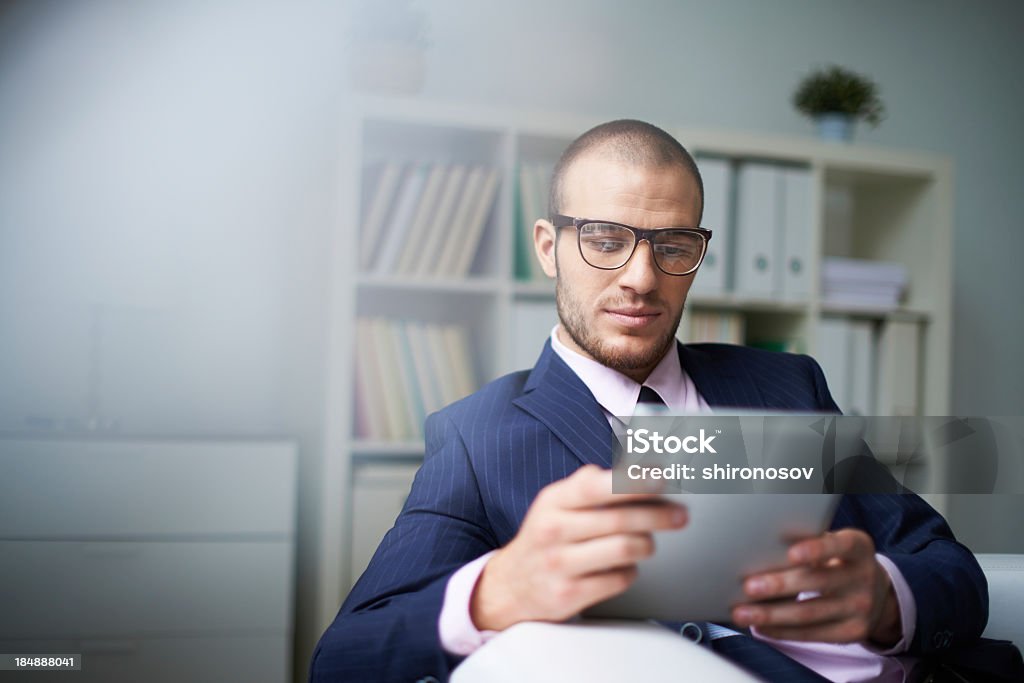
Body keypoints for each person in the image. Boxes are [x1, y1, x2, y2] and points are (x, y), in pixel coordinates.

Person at [310, 120, 1008, 683]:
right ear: (549, 247)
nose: (641, 279)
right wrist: (496, 590)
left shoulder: (788, 385)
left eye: (673, 246)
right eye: (606, 240)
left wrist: (888, 597)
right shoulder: (476, 437)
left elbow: (951, 569)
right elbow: (345, 658)